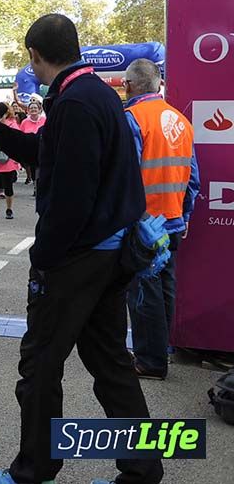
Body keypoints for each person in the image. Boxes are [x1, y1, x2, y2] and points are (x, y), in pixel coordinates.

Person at [0, 14, 161, 484]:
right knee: (109, 362)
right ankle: (142, 470)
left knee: (40, 362)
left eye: (30, 59)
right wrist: (1, 135)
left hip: (81, 257)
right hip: (108, 250)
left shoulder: (76, 102)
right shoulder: (91, 93)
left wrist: (45, 260)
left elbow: (72, 197)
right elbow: (49, 152)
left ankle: (33, 471)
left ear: (35, 55)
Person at [123, 59, 199, 380]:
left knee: (143, 291)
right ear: (158, 85)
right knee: (164, 285)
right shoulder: (181, 120)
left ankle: (150, 361)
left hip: (143, 225)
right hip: (172, 221)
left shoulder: (132, 119)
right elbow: (193, 178)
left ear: (129, 85)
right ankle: (160, 350)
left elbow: (124, 178)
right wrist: (184, 216)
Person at [19, 101, 46, 194]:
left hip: (43, 148)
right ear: (28, 111)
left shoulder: (44, 120)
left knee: (41, 168)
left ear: (39, 110)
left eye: (35, 108)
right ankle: (35, 186)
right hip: (30, 149)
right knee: (33, 169)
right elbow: (21, 135)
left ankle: (41, 186)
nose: (33, 110)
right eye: (31, 108)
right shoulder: (24, 122)